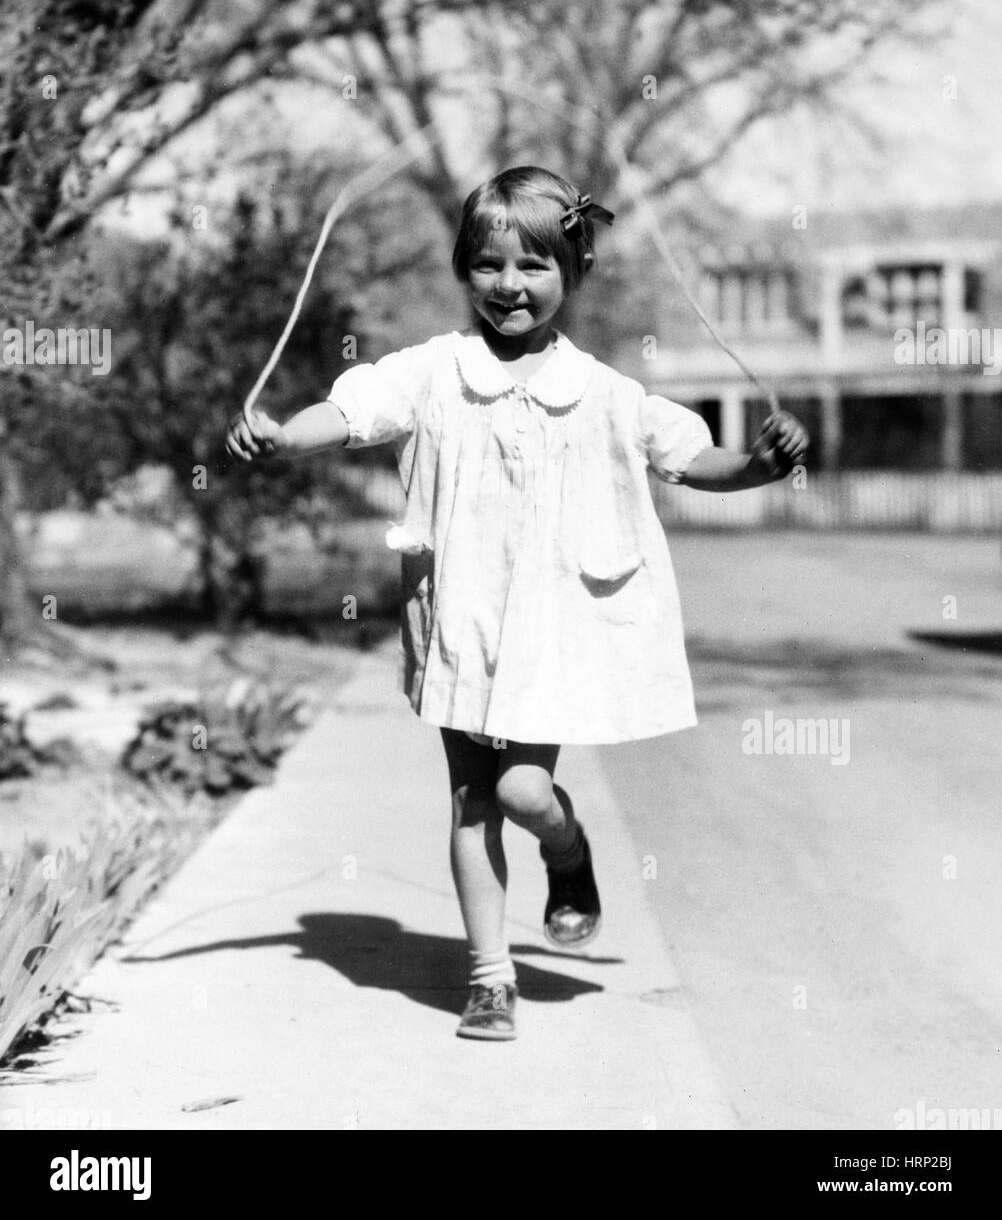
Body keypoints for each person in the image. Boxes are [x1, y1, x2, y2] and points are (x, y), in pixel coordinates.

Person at [226, 165, 808, 1042]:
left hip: (553, 628)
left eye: (534, 266)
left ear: (573, 274)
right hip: (458, 620)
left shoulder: (607, 395)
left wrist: (762, 463)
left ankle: (566, 852)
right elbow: (351, 411)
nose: (510, 286)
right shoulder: (431, 372)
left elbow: (693, 459)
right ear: (464, 271)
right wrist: (282, 437)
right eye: (489, 265)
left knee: (528, 790)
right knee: (472, 801)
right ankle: (490, 978)